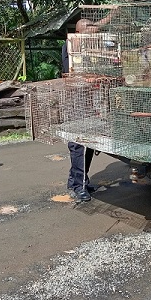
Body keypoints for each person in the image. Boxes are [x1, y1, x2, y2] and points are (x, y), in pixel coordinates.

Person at [62, 38, 95, 202]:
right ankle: (78, 186)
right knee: (78, 147)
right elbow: (75, 74)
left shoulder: (88, 49)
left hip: (87, 106)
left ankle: (77, 180)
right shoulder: (71, 46)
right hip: (76, 106)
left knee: (88, 145)